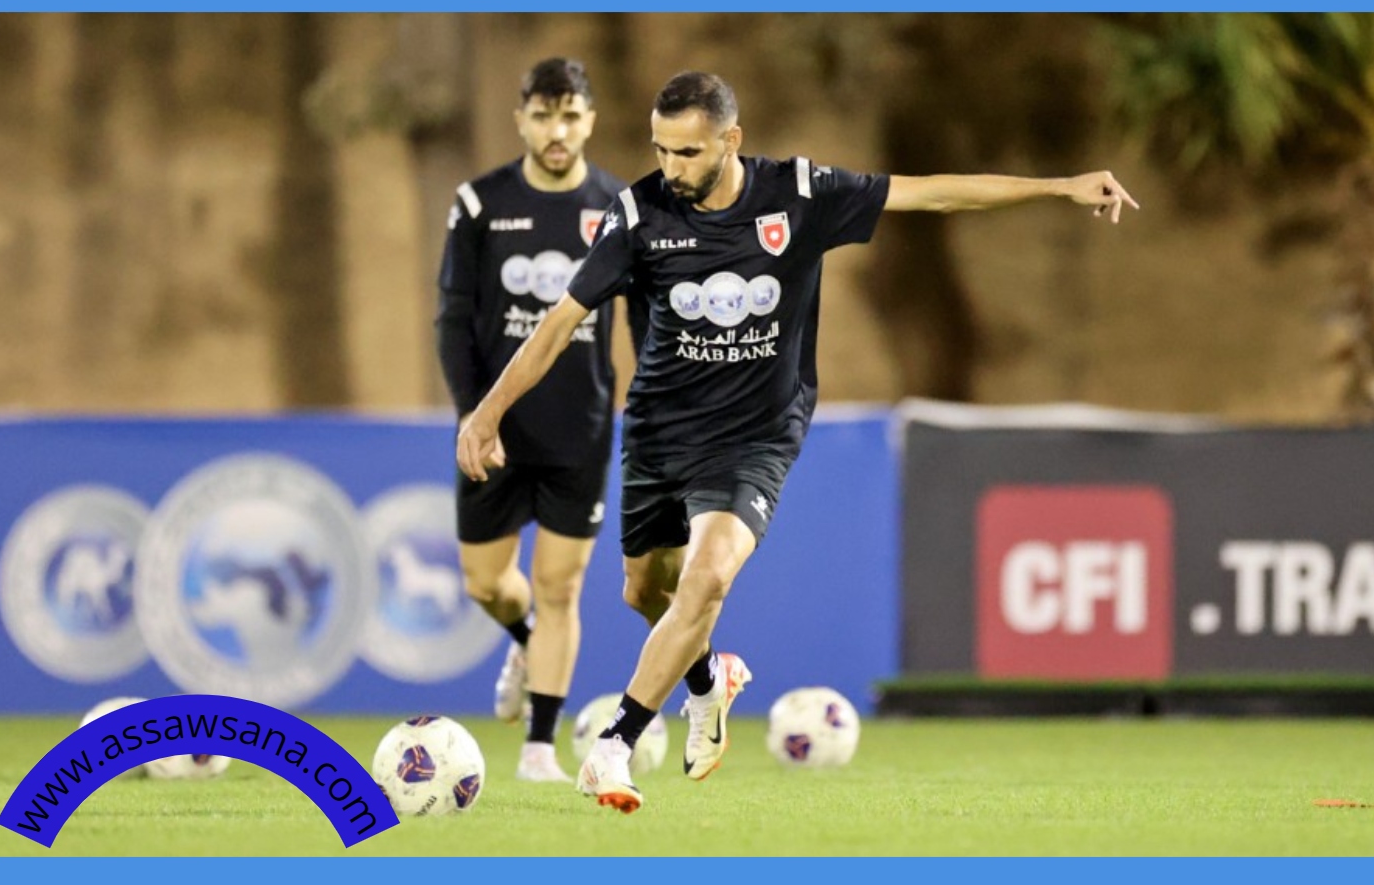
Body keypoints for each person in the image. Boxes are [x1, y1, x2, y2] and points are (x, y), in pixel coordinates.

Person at [455, 70, 1139, 812]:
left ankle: (613, 746)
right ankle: (707, 682)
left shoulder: (801, 195)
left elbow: (933, 193)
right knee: (645, 591)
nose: (671, 168)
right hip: (659, 431)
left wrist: (1059, 187)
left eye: (687, 152)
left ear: (731, 140)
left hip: (755, 434)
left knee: (707, 578)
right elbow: (559, 323)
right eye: (660, 150)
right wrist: (487, 413)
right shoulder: (638, 213)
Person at [434, 57, 627, 783]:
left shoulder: (618, 206)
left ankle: (540, 749)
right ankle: (524, 640)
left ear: (590, 121)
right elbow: (453, 318)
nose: (557, 131)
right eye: (543, 116)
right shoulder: (480, 204)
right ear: (520, 120)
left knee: (561, 587)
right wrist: (473, 413)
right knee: (484, 583)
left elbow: (645, 319)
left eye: (570, 116)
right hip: (497, 429)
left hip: (581, 427)